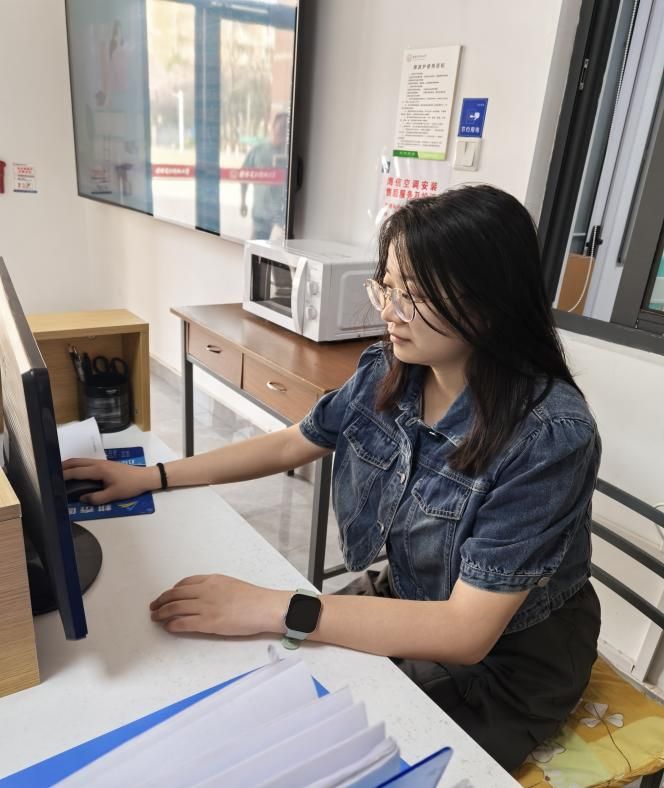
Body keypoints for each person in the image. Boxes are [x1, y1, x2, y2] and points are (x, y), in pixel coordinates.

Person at [63, 185, 601, 771]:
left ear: (490, 303)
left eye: (415, 296)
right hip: (411, 600)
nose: (389, 312)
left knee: (308, 752)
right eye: (387, 288)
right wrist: (153, 476)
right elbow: (294, 441)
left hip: (505, 664)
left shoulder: (549, 437)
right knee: (243, 688)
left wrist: (272, 605)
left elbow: (464, 632)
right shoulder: (391, 370)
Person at [239, 112, 289, 239]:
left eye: (286, 128)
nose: (282, 131)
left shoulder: (290, 154)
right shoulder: (258, 151)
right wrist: (243, 202)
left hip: (282, 219)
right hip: (261, 216)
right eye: (280, 127)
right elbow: (244, 176)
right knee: (256, 249)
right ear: (273, 127)